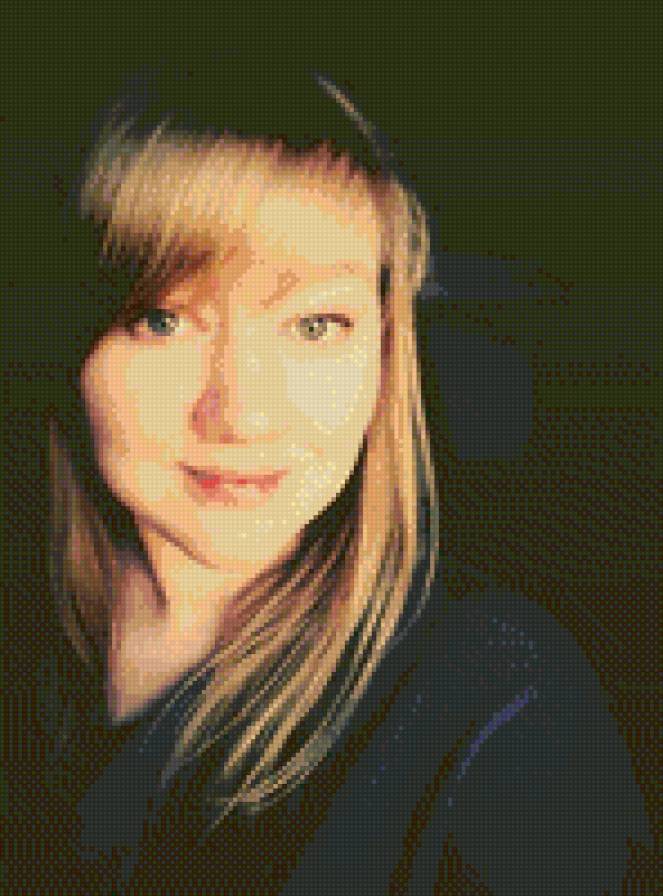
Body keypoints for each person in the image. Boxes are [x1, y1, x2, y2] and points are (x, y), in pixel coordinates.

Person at [7, 62, 652, 894]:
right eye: (162, 319)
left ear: (384, 352)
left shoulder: (502, 708)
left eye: (314, 325)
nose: (241, 415)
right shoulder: (29, 629)